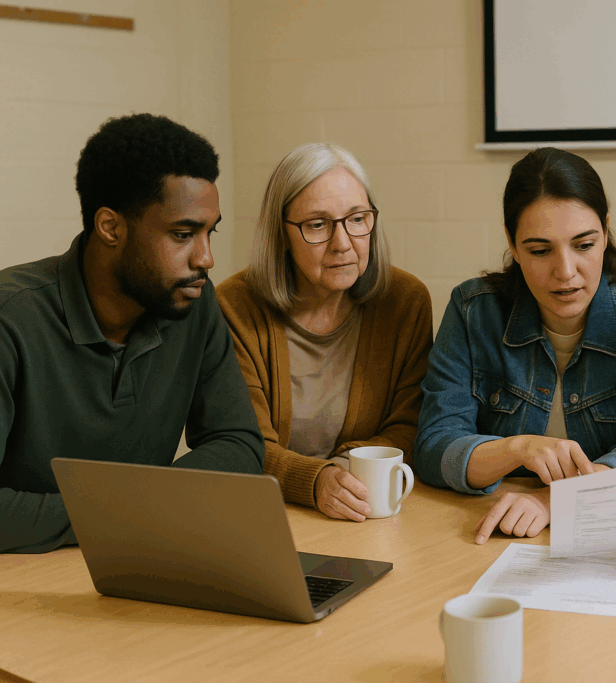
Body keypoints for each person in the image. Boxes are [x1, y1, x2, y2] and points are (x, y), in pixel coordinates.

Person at [0, 113, 265, 553]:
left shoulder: (193, 303)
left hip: (142, 562)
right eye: (183, 234)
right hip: (26, 582)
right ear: (111, 227)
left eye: (209, 232)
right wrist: (132, 513)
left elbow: (238, 445)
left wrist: (136, 511)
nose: (206, 258)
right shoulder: (10, 318)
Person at [415, 147, 616, 543]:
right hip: (485, 529)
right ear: (512, 244)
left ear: (606, 232)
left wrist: (554, 502)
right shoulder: (472, 310)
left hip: (601, 535)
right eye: (540, 251)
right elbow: (434, 448)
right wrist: (518, 448)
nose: (565, 272)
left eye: (584, 245)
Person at [217, 143, 432, 522]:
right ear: (280, 233)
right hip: (266, 513)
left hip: (364, 509)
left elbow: (410, 424)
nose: (343, 243)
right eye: (317, 225)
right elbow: (243, 441)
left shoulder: (405, 300)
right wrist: (314, 480)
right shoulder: (234, 306)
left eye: (357, 219)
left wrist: (345, 474)